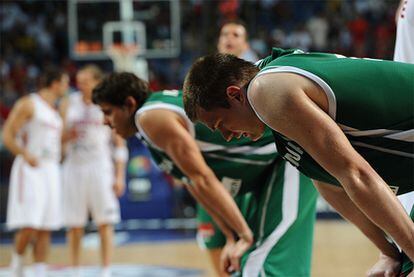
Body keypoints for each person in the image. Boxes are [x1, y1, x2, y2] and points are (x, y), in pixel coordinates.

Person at [183, 48, 414, 276]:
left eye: (221, 123)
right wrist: (389, 252)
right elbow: (328, 184)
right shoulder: (273, 86)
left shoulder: (266, 89)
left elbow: (357, 174)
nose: (226, 136)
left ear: (235, 95)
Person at [92, 72, 318, 276]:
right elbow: (195, 184)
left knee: (264, 265)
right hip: (266, 168)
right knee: (249, 266)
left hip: (287, 150)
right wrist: (231, 236)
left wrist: (244, 235)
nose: (104, 121)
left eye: (108, 112)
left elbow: (204, 178)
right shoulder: (149, 127)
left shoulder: (150, 117)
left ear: (129, 104)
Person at [59, 64, 127, 277]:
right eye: (78, 81)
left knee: (105, 222)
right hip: (73, 167)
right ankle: (75, 269)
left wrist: (119, 175)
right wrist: (65, 137)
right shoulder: (68, 103)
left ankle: (105, 270)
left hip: (100, 167)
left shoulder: (106, 105)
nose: (80, 84)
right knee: (74, 225)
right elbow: (58, 140)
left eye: (85, 80)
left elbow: (119, 142)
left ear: (97, 82)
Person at [3, 67, 68, 277]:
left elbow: (56, 143)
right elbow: (7, 135)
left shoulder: (55, 110)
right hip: (31, 167)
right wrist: (24, 154)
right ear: (55, 83)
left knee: (46, 226)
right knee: (30, 224)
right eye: (65, 82)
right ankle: (17, 266)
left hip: (51, 168)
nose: (67, 87)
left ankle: (40, 271)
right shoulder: (29, 103)